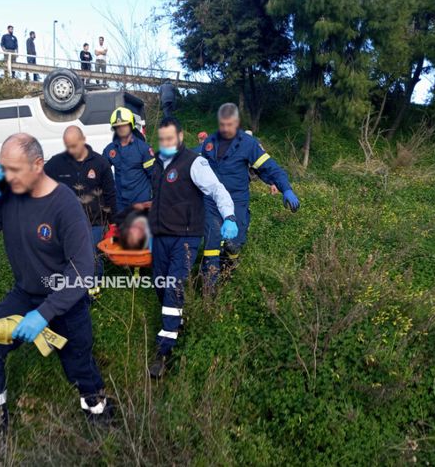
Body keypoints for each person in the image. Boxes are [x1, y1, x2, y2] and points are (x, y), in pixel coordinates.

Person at [0, 133, 112, 438]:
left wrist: (45, 314)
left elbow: (83, 270)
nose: (8, 176)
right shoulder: (9, 195)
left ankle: (102, 424)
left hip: (65, 301)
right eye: (3, 168)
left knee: (80, 368)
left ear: (38, 164)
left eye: (15, 169)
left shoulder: (65, 206)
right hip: (24, 296)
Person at [148, 117, 237, 378]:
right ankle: (177, 319)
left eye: (170, 138)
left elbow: (217, 190)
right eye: (162, 138)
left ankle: (164, 350)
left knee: (174, 285)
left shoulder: (194, 162)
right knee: (160, 285)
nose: (166, 143)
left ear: (181, 135)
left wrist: (229, 217)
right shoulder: (157, 164)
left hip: (186, 236)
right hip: (160, 235)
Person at [200, 103, 300, 288]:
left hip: (236, 200)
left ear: (236, 123)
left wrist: (285, 188)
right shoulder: (209, 143)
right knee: (211, 242)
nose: (225, 129)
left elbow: (270, 168)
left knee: (234, 242)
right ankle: (210, 289)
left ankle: (228, 269)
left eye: (229, 125)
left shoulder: (248, 144)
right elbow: (192, 164)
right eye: (222, 125)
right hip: (212, 201)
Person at [44, 126, 116, 294]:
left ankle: (94, 292)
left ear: (83, 140)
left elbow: (110, 194)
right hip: (68, 223)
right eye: (68, 146)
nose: (71, 150)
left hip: (95, 222)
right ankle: (75, 292)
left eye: (74, 146)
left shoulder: (100, 163)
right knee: (71, 259)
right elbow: (40, 182)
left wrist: (113, 223)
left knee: (93, 259)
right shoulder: (56, 163)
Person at [102, 107, 155, 213]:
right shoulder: (110, 150)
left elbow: (154, 176)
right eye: (118, 126)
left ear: (131, 125)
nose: (121, 128)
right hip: (120, 204)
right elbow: (102, 173)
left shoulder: (143, 148)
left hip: (142, 202)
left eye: (124, 125)